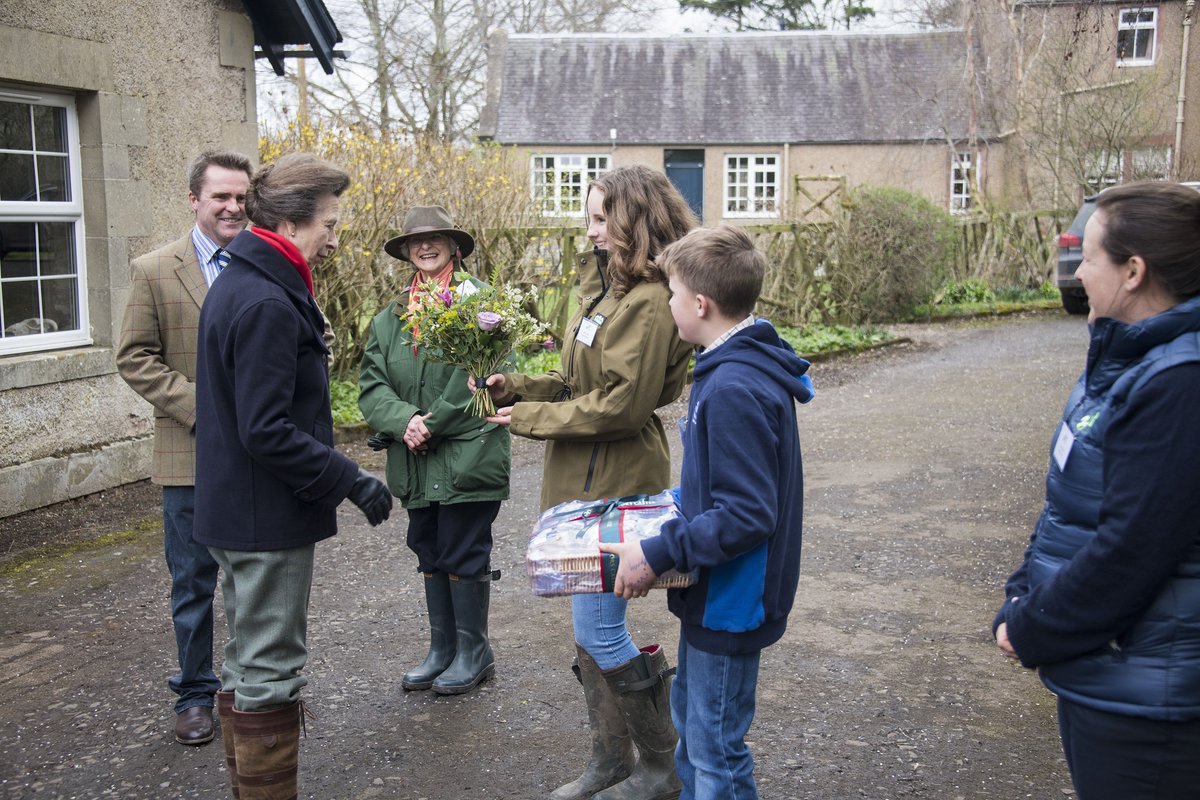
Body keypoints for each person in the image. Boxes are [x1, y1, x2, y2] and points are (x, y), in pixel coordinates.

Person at [482, 165, 696, 800]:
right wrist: (518, 387)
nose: (590, 230)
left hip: (619, 478)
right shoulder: (610, 291)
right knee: (589, 631)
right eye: (588, 216)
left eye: (601, 219)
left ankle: (662, 768)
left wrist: (530, 418)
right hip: (587, 476)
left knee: (602, 630)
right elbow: (585, 383)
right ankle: (612, 760)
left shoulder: (652, 301)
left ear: (634, 222)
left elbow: (623, 407)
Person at [193, 152, 393, 800]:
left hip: (239, 511)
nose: (335, 238)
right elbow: (265, 429)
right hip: (264, 521)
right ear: (289, 220)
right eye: (329, 224)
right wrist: (352, 479)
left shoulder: (245, 279)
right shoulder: (266, 300)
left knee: (246, 664)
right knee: (270, 673)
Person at [992, 181, 1200, 800]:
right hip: (1114, 674)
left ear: (1134, 272)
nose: (1076, 270)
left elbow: (1132, 550)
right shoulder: (1126, 364)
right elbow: (1072, 507)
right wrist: (1025, 588)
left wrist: (1034, 627)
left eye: (1089, 256)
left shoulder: (1178, 384)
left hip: (1150, 702)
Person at [599, 225, 813, 800]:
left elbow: (746, 514)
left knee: (714, 750)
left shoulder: (735, 388)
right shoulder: (727, 367)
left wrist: (659, 551)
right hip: (717, 596)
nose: (666, 303)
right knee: (697, 738)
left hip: (731, 602)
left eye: (671, 292)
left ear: (700, 304)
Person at [116, 150, 253, 747]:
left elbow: (313, 332)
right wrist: (205, 410)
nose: (232, 207)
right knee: (193, 581)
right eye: (220, 196)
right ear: (194, 200)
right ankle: (195, 694)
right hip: (190, 453)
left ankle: (250, 687)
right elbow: (133, 356)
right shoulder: (154, 269)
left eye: (241, 197)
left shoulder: (266, 262)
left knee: (253, 577)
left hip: (257, 456)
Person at [358, 205, 510, 695]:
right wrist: (404, 421)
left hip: (468, 453)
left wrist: (433, 423)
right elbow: (372, 385)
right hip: (416, 459)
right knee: (428, 548)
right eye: (415, 242)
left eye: (436, 239)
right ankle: (443, 649)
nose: (425, 247)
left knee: (463, 549)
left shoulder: (482, 305)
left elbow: (483, 377)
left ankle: (474, 650)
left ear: (455, 246)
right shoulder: (390, 318)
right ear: (405, 252)